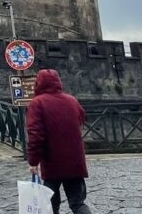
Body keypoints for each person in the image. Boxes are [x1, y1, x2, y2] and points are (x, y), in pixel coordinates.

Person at [26, 69, 92, 214]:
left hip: (52, 162)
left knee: (50, 203)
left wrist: (33, 161)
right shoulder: (72, 100)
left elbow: (36, 135)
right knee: (78, 203)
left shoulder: (37, 103)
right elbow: (82, 119)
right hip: (75, 161)